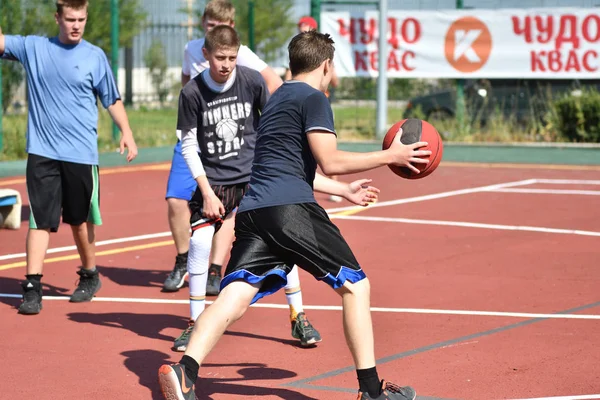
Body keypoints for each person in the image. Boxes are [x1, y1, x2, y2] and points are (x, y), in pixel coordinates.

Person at [157, 30, 431, 400]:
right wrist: (390, 157)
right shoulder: (313, 98)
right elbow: (330, 160)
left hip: (254, 211)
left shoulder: (278, 98)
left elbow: (288, 166)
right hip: (289, 211)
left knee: (234, 296)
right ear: (326, 65)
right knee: (355, 286)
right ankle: (372, 393)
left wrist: (343, 190)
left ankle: (185, 371)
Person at [165, 0, 321, 350]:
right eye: (220, 58)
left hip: (253, 177)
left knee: (284, 238)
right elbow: (189, 146)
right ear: (205, 54)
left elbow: (271, 123)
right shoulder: (192, 93)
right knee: (201, 242)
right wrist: (205, 191)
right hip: (216, 181)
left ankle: (299, 317)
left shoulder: (251, 82)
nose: (226, 65)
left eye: (232, 58)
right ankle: (194, 321)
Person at [0, 0, 138, 315]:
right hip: (42, 152)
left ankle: (90, 275)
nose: (76, 25)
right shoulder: (34, 47)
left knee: (79, 222)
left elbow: (111, 98)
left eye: (82, 19)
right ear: (57, 18)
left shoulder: (94, 56)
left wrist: (126, 132)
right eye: (70, 19)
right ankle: (32, 287)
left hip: (81, 155)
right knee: (40, 221)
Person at [284, 15, 342, 203]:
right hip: (304, 104)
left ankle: (335, 186)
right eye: (300, 27)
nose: (302, 30)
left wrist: (326, 73)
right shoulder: (297, 59)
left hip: (320, 103)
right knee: (308, 152)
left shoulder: (324, 57)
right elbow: (287, 80)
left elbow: (336, 82)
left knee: (326, 148)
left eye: (305, 27)